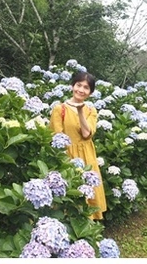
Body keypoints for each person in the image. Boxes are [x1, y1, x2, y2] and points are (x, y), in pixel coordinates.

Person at [49, 71, 107, 219]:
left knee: (87, 192)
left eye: (86, 87)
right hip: (67, 155)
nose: (81, 90)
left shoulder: (91, 111)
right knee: (68, 191)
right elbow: (56, 137)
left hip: (87, 156)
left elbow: (87, 134)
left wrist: (80, 111)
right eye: (78, 85)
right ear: (72, 86)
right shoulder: (59, 109)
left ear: (91, 92)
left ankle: (86, 224)